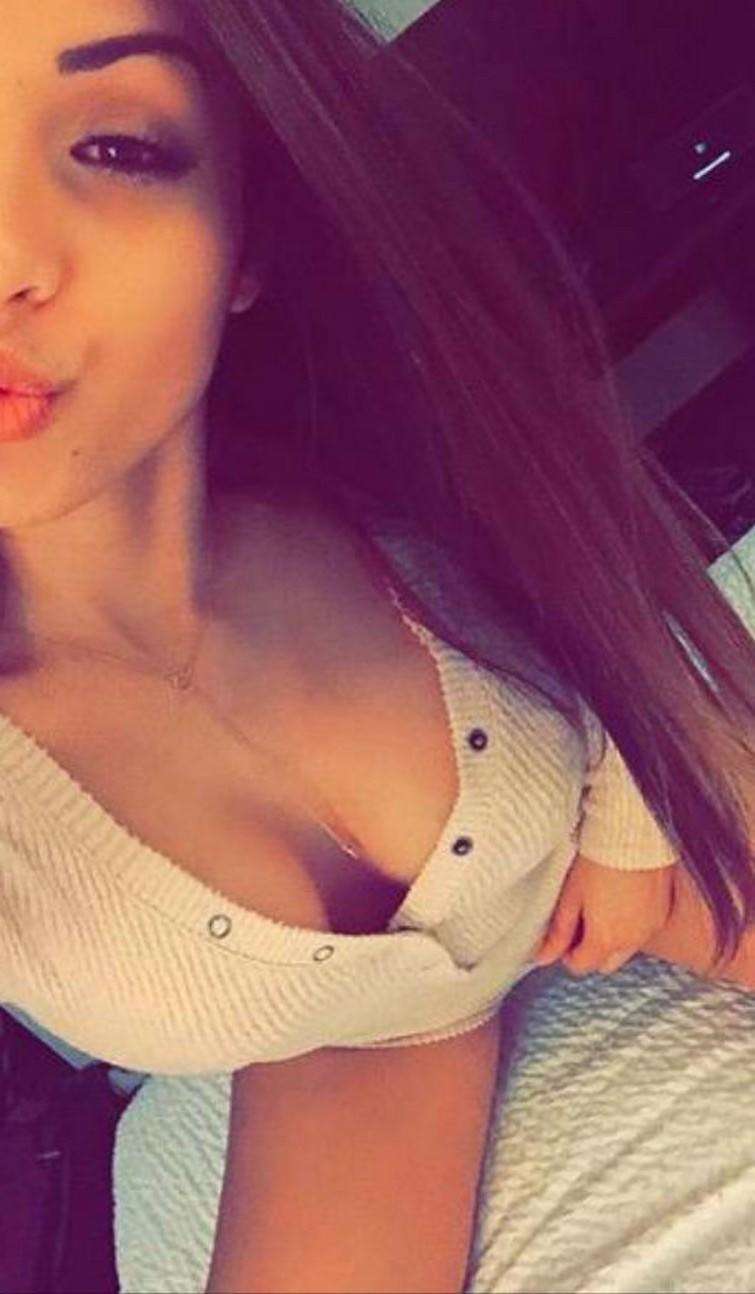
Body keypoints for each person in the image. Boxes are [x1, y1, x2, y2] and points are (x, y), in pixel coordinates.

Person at [1, 2, 754, 1290]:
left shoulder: (378, 462)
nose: (8, 254)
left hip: (645, 839)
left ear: (245, 238)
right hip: (364, 1048)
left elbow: (598, 563)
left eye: (119, 146)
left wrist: (634, 802)